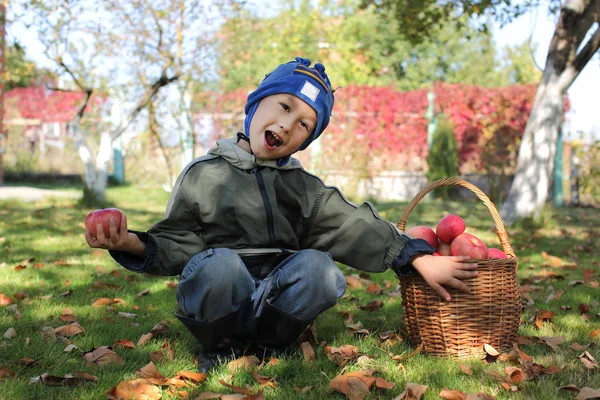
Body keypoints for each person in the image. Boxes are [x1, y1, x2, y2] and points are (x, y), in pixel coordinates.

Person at [85, 57, 478, 373]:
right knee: (220, 265)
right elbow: (177, 244)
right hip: (221, 298)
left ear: (307, 139)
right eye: (284, 107)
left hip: (274, 301)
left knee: (321, 270)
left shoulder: (302, 187)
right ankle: (221, 348)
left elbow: (351, 223)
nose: (287, 125)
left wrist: (417, 256)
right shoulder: (203, 175)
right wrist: (129, 242)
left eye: (303, 123)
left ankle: (272, 345)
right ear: (257, 104)